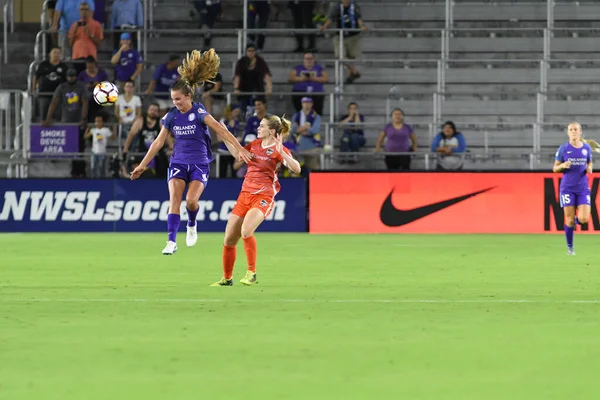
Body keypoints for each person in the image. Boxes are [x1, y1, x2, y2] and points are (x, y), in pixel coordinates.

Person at [130, 49, 252, 255]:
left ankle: (192, 224)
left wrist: (240, 149)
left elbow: (221, 130)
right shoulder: (171, 116)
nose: (175, 103)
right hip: (178, 162)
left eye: (178, 99)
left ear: (188, 96)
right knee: (174, 201)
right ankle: (171, 241)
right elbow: (158, 143)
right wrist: (142, 165)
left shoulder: (199, 112)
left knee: (191, 201)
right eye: (173, 99)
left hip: (199, 163)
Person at [211, 115, 301, 286]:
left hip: (263, 197)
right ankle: (227, 278)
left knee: (246, 231)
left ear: (272, 131)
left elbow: (296, 168)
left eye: (262, 126)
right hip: (245, 195)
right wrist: (224, 134)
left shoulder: (278, 149)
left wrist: (283, 153)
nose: (258, 128)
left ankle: (251, 273)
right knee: (229, 238)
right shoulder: (254, 145)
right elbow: (239, 155)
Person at [552, 122, 600, 255]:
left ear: (580, 132)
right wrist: (562, 165)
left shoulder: (586, 148)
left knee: (584, 219)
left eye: (575, 129)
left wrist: (590, 167)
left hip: (582, 188)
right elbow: (554, 168)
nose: (573, 131)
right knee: (569, 219)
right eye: (571, 129)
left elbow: (589, 162)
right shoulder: (563, 149)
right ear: (568, 132)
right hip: (567, 188)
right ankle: (570, 247)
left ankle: (573, 224)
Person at [122, 102, 163, 177]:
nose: (153, 112)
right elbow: (130, 135)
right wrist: (125, 148)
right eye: (151, 109)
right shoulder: (140, 121)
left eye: (155, 110)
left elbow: (168, 137)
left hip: (157, 154)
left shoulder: (161, 123)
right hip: (142, 153)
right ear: (147, 110)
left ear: (158, 112)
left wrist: (171, 147)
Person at [84, 113, 116, 178]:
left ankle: (103, 182)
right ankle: (94, 182)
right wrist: (88, 128)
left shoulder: (106, 130)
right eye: (96, 121)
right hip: (94, 152)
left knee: (102, 168)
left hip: (102, 152)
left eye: (99, 121)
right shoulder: (93, 130)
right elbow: (85, 137)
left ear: (102, 122)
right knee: (93, 168)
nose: (97, 123)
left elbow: (113, 138)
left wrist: (114, 129)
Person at [217, 104, 242, 178]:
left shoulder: (236, 121)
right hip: (224, 151)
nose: (237, 114)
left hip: (233, 151)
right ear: (230, 112)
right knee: (222, 173)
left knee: (234, 173)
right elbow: (219, 139)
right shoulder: (223, 121)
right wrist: (230, 127)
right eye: (235, 111)